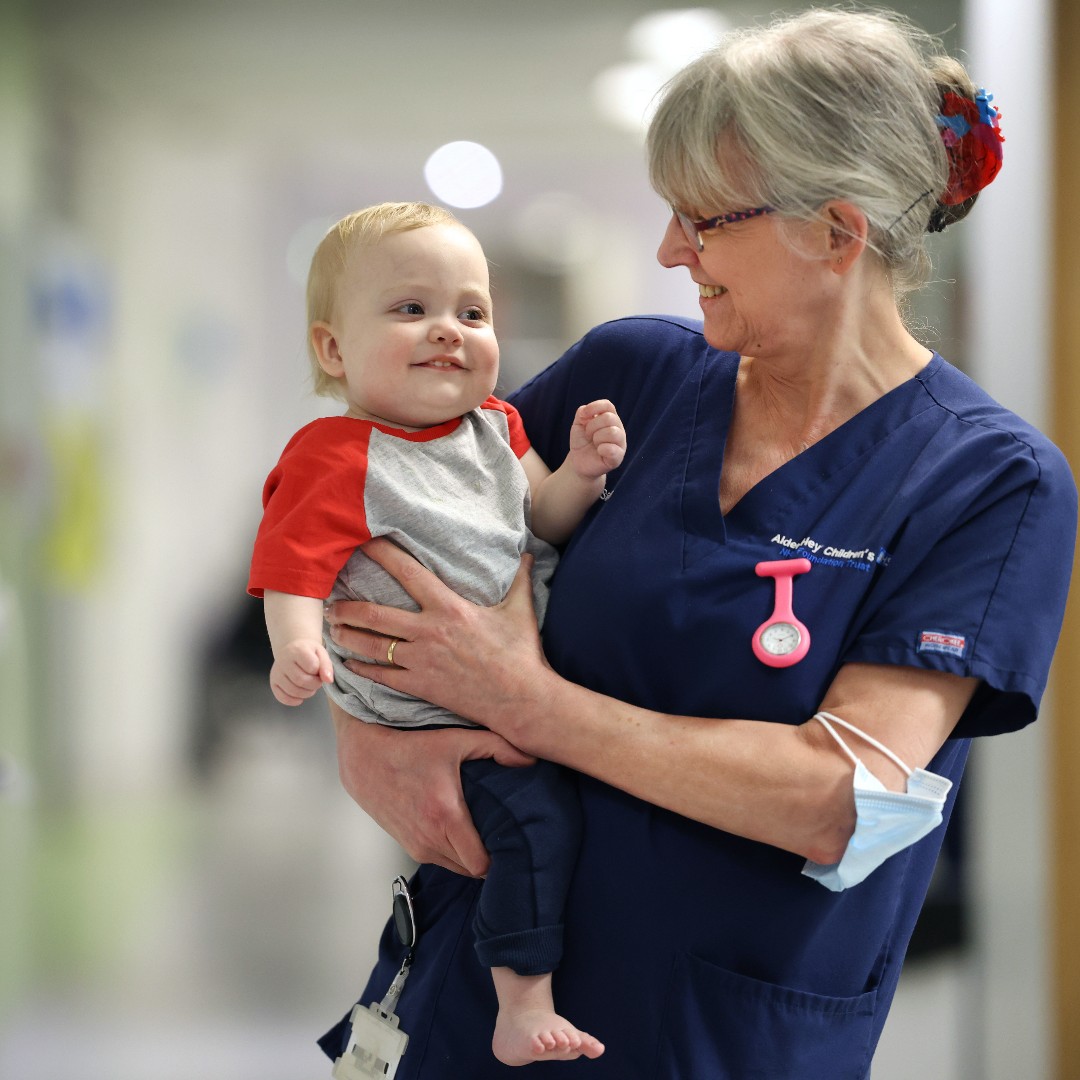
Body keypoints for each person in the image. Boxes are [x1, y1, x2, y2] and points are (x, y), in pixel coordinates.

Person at [318, 9, 1076, 1079]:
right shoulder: (631, 376)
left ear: (835, 231)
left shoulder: (987, 480)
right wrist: (369, 742)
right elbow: (364, 521)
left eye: (704, 220)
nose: (672, 250)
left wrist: (525, 701)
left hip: (720, 1037)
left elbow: (836, 795)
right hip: (476, 1006)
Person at [247, 202, 623, 1066]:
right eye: (411, 310)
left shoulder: (498, 425)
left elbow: (544, 520)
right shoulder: (335, 454)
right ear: (333, 350)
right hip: (434, 719)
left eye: (473, 312)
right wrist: (296, 646)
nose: (448, 331)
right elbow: (291, 568)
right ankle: (521, 1002)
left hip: (529, 680)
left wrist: (582, 472)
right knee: (534, 829)